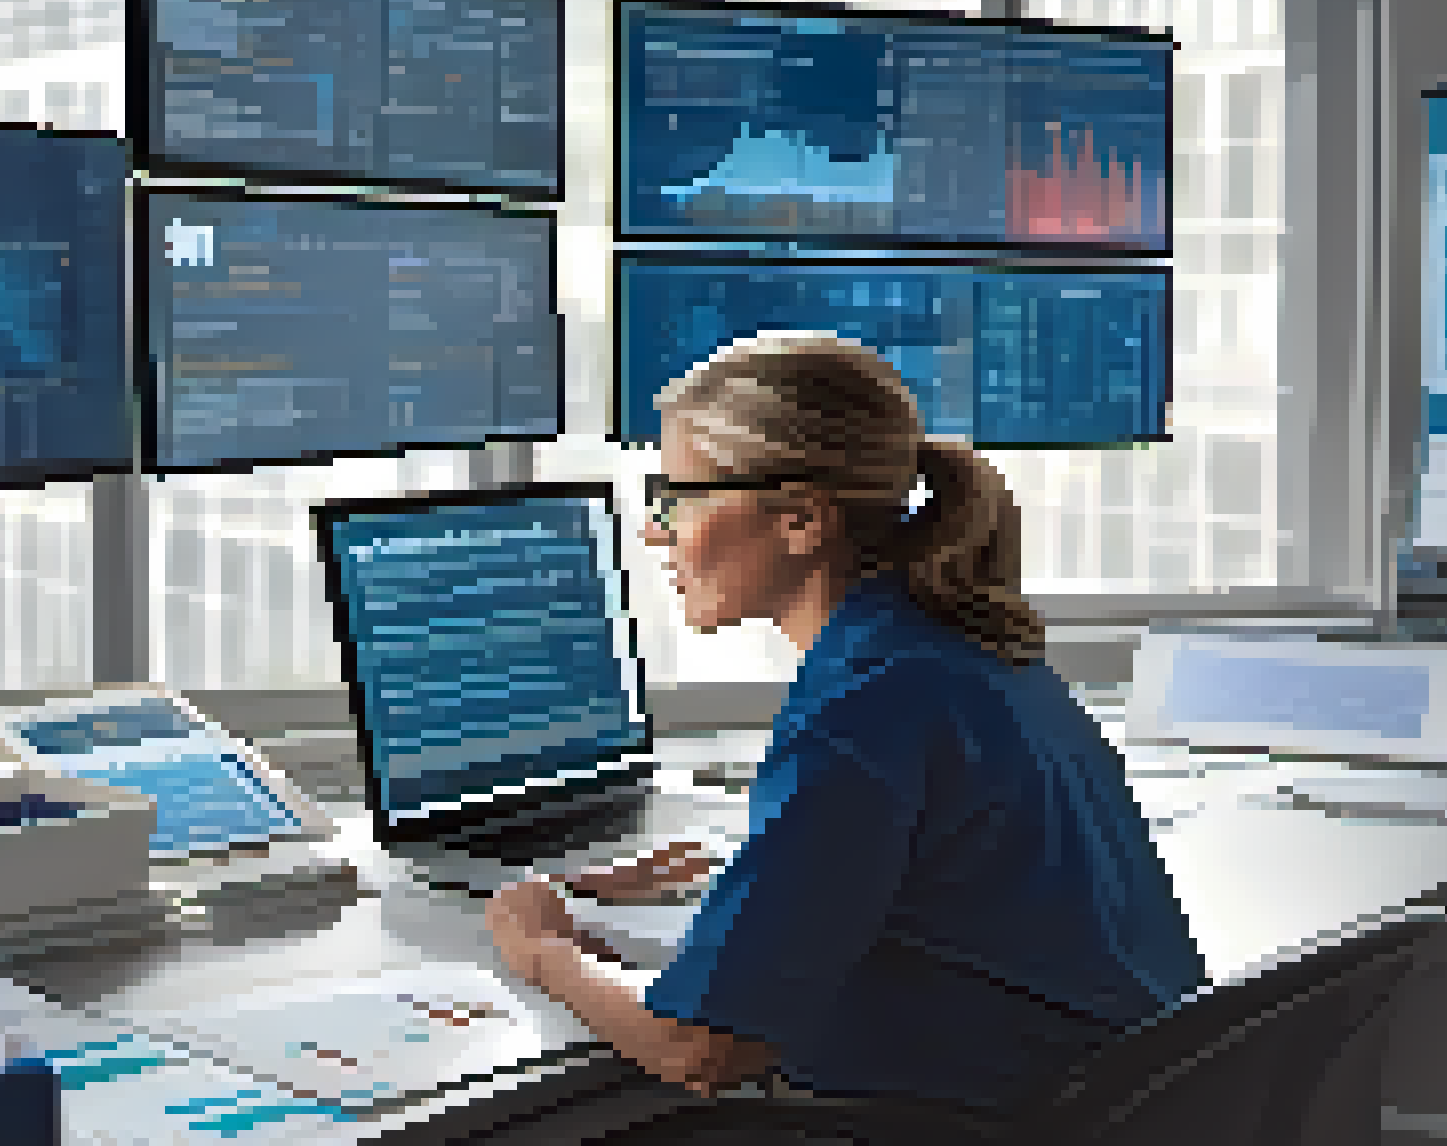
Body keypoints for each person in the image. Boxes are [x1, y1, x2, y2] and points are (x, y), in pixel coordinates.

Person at [482, 330, 1207, 1140]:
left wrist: (545, 948)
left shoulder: (859, 705)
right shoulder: (956, 644)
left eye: (677, 500)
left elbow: (702, 1050)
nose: (656, 532)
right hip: (1121, 1101)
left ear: (799, 518)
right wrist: (751, 879)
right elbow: (958, 869)